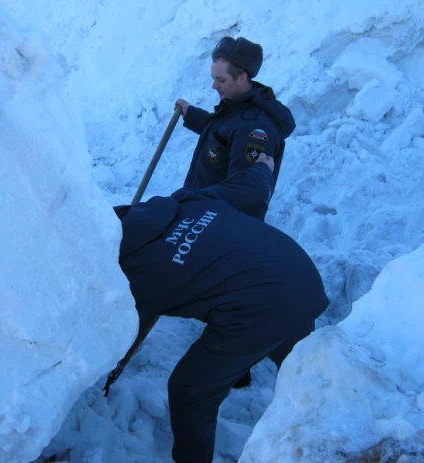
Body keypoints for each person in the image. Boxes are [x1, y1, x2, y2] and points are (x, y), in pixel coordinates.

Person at [113, 156, 329, 463]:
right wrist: (262, 167)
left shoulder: (132, 271)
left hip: (265, 307)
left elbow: (120, 333)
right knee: (305, 369)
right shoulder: (185, 201)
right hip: (299, 273)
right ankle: (327, 414)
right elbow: (250, 190)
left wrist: (108, 373)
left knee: (189, 390)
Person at [175, 36, 296, 220]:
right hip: (201, 213)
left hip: (212, 223)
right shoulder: (237, 106)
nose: (214, 85)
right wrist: (191, 114)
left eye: (221, 80)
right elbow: (223, 133)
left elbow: (242, 196)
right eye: (214, 78)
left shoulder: (254, 129)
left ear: (241, 77)